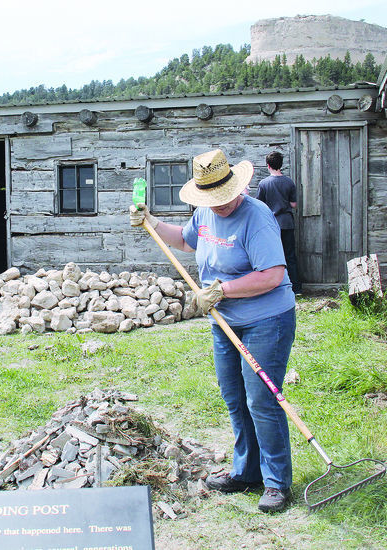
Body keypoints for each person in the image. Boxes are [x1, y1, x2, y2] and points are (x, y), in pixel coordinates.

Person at [129, 149, 296, 513]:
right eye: (211, 199)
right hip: (223, 321)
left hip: (266, 320)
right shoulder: (205, 210)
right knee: (235, 398)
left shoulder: (258, 218)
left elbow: (273, 275)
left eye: (223, 198)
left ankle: (276, 482)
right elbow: (188, 241)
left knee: (262, 400)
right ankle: (246, 471)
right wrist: (151, 222)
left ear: (238, 187)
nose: (218, 205)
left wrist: (223, 289)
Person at [257, 151, 302, 295]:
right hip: (287, 223)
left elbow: (259, 205)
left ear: (268, 165)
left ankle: (275, 289)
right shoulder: (289, 182)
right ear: (280, 165)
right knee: (290, 256)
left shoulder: (264, 184)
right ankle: (296, 288)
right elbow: (294, 204)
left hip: (271, 225)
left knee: (273, 258)